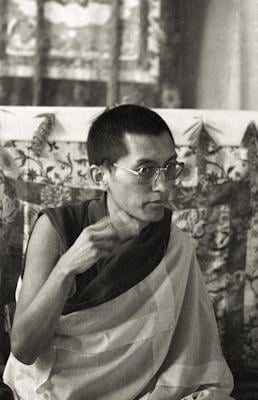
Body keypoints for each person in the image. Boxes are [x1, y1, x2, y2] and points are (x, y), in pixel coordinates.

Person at [3, 104, 234, 399]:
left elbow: (191, 358)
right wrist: (67, 267)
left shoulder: (174, 244)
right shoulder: (56, 230)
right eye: (145, 170)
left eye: (170, 168)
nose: (163, 186)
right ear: (101, 176)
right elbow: (23, 350)